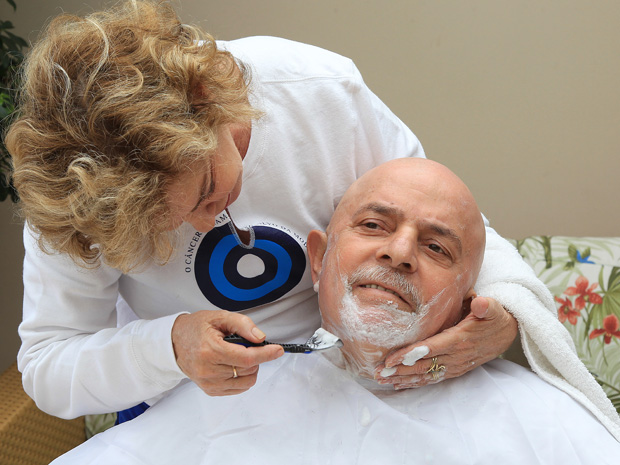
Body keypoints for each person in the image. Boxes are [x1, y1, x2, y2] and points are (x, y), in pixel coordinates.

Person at [3, 0, 566, 421]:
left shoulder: (316, 92)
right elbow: (50, 368)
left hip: (366, 383)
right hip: (196, 410)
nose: (206, 222)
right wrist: (168, 346)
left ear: (207, 100)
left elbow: (449, 224)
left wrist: (510, 319)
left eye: (204, 191)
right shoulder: (74, 199)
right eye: (163, 225)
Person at [50, 158, 620, 464]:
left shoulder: (545, 427)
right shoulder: (223, 402)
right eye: (373, 226)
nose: (398, 252)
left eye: (436, 247)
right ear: (317, 260)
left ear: (471, 294)